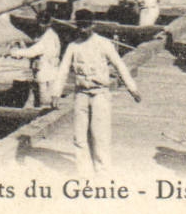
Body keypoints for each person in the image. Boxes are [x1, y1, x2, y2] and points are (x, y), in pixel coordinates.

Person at [50, 10, 141, 176]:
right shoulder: (72, 46)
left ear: (93, 25)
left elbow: (120, 66)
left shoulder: (104, 44)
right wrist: (56, 93)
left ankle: (103, 172)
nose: (83, 30)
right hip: (81, 94)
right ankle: (84, 173)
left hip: (100, 94)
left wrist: (132, 88)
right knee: (79, 137)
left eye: (86, 26)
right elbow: (63, 70)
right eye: (80, 26)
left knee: (100, 136)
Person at [5, 15, 61, 108]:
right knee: (46, 95)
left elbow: (33, 51)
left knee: (45, 99)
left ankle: (43, 113)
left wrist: (11, 52)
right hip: (49, 70)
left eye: (44, 23)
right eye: (40, 23)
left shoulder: (48, 38)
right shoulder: (51, 35)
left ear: (49, 23)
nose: (42, 26)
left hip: (46, 72)